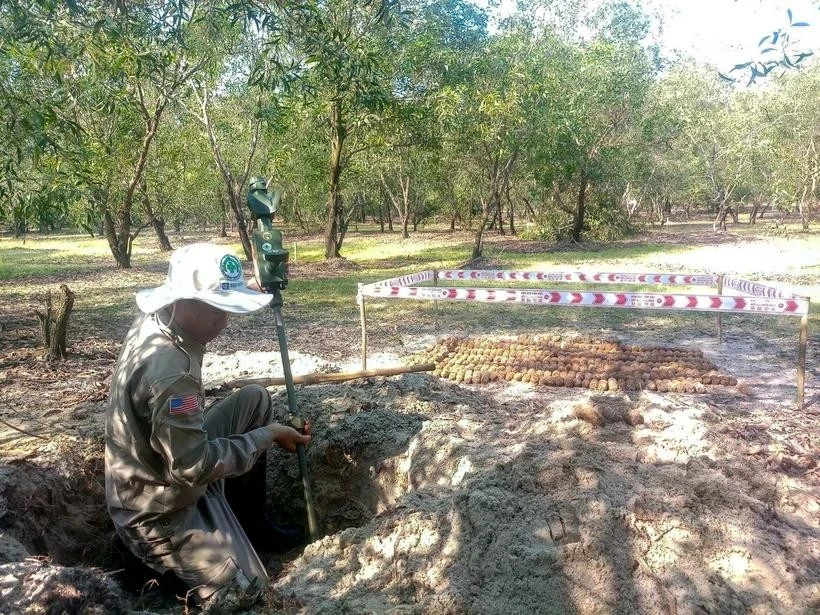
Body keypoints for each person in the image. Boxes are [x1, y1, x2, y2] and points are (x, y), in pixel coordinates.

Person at [105, 242, 311, 606]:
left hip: (165, 466)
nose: (224, 321)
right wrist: (267, 435)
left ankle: (250, 521)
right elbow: (192, 467)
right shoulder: (171, 374)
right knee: (250, 595)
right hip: (159, 510)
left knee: (255, 398)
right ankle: (160, 567)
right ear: (181, 300)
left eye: (227, 308)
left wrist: (253, 284)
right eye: (216, 309)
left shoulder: (160, 317)